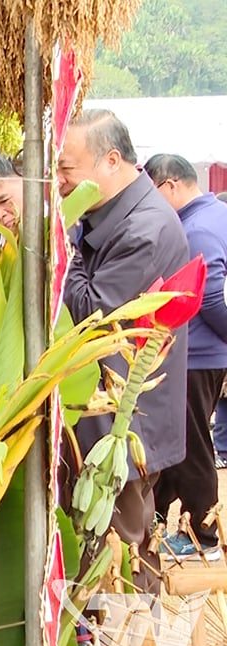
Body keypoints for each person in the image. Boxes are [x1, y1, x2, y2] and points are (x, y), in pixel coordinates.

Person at [59, 109, 189, 591]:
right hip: (109, 412)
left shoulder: (144, 227)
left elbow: (92, 310)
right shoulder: (118, 215)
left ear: (111, 160)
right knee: (102, 542)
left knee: (120, 547)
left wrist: (65, 246)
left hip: (126, 424)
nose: (62, 180)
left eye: (68, 169)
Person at [143, 153, 227, 559]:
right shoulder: (216, 213)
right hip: (202, 355)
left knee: (192, 445)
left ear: (170, 185)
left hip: (196, 356)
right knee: (181, 441)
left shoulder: (195, 228)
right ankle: (158, 518)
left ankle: (204, 534)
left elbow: (208, 295)